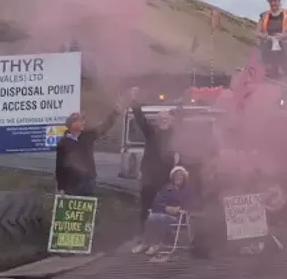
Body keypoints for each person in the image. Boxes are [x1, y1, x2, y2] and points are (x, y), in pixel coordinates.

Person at [128, 88, 178, 252]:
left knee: (162, 209)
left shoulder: (176, 136)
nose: (163, 121)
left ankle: (160, 241)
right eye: (160, 118)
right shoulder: (151, 133)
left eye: (166, 118)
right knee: (145, 209)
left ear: (171, 121)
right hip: (149, 177)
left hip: (165, 179)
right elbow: (140, 119)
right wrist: (134, 100)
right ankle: (144, 240)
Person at [54, 102, 122, 197]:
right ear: (72, 124)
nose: (83, 123)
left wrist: (115, 113)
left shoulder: (88, 136)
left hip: (88, 183)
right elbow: (59, 168)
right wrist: (61, 188)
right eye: (80, 121)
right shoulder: (63, 143)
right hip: (71, 185)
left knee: (87, 210)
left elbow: (103, 128)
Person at [141, 166, 201, 259]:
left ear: (184, 177)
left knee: (158, 218)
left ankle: (155, 244)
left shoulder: (188, 190)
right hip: (163, 214)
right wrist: (166, 208)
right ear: (173, 177)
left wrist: (182, 209)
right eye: (176, 175)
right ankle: (150, 243)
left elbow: (194, 203)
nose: (178, 178)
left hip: (179, 217)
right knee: (152, 218)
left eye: (181, 176)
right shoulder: (167, 188)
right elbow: (156, 203)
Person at [256, 0, 287, 88]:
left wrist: (282, 36)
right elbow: (257, 32)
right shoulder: (264, 16)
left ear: (279, 1)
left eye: (275, 1)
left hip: (285, 46)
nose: (273, 3)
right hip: (268, 46)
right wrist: (265, 36)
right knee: (268, 70)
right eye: (270, 1)